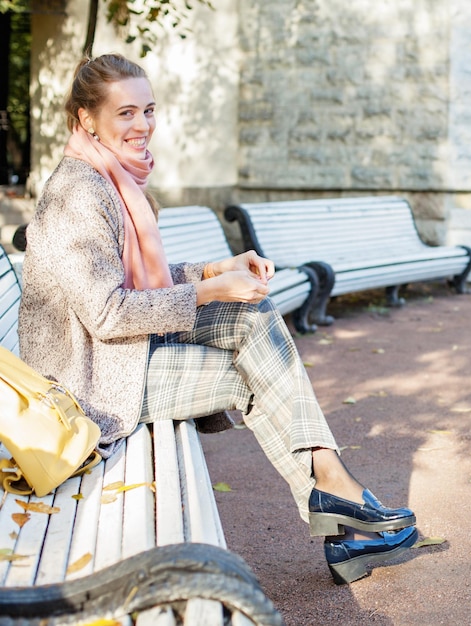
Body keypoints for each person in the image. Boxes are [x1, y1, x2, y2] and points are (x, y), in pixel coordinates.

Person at [18, 53, 417, 585]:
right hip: (90, 382)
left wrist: (217, 268)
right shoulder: (77, 193)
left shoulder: (109, 176)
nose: (143, 126)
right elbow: (109, 311)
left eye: (149, 111)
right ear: (88, 118)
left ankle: (338, 498)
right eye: (126, 114)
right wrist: (209, 290)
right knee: (251, 376)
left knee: (254, 314)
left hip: (120, 357)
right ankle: (342, 509)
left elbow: (143, 283)